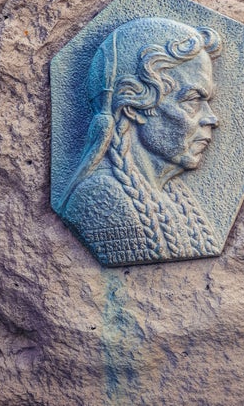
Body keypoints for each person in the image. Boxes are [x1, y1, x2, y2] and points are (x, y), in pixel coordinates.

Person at [58, 17, 222, 266]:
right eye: (192, 101)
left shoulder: (171, 193)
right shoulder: (103, 201)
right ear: (134, 106)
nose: (211, 118)